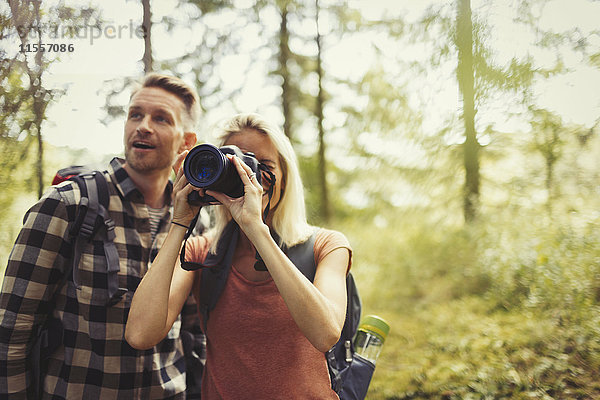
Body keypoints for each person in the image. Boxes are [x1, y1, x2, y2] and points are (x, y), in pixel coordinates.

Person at [0, 73, 204, 399]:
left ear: (186, 142)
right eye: (135, 114)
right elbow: (13, 328)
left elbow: (196, 330)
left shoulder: (197, 223)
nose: (143, 126)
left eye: (161, 118)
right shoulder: (67, 204)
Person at [125, 113, 352, 399]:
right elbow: (140, 334)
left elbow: (325, 334)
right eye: (237, 166)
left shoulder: (326, 245)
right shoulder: (203, 252)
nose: (249, 178)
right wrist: (179, 223)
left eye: (262, 166)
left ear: (284, 177)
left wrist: (256, 230)